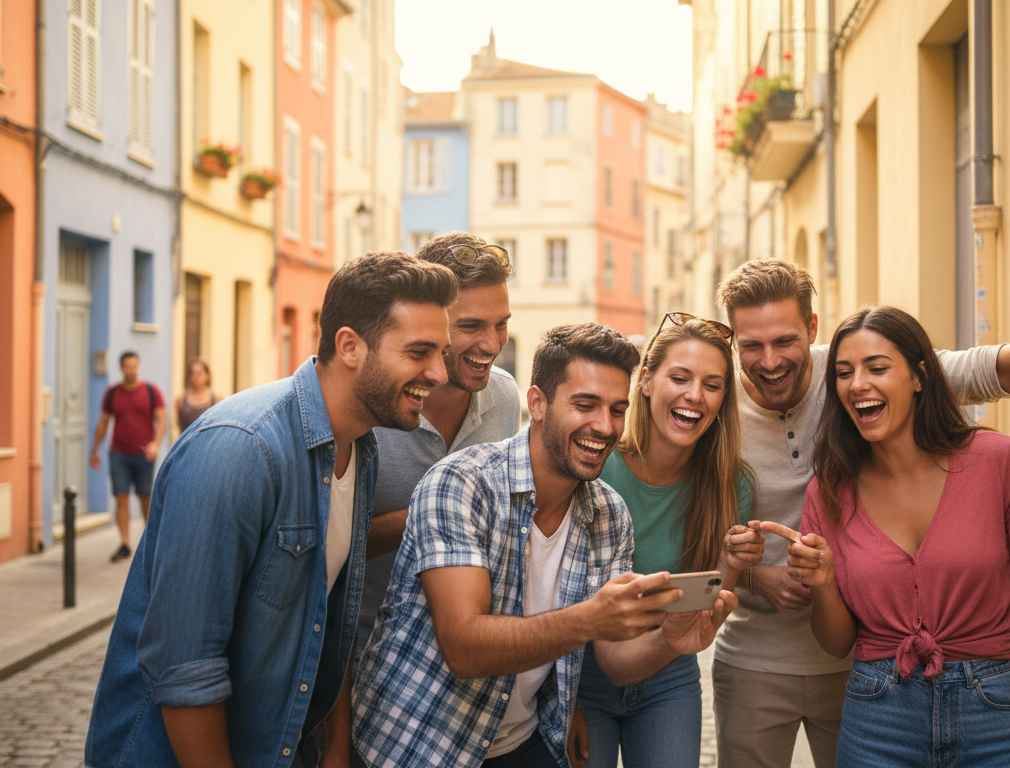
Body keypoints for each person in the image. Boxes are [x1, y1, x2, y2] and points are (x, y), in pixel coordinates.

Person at [709, 259, 1010, 768]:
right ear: (734, 341)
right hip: (813, 671)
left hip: (966, 699)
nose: (770, 360)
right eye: (751, 345)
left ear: (811, 329)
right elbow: (681, 512)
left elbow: (991, 367)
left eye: (784, 341)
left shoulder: (985, 454)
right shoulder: (733, 417)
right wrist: (761, 577)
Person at [84, 253, 458, 768]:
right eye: (419, 352)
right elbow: (184, 667)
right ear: (349, 346)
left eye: (441, 352)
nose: (439, 373)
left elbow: (328, 622)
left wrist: (335, 750)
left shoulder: (362, 450)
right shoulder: (241, 448)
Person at [351, 323, 739, 768]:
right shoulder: (461, 483)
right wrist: (589, 619)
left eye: (616, 409)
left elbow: (613, 663)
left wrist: (670, 642)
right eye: (585, 405)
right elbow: (463, 647)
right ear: (537, 403)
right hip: (418, 745)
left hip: (524, 741)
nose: (604, 426)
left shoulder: (609, 515)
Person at [569, 313, 764, 768]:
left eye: (712, 385)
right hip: (582, 677)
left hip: (667, 673)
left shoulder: (732, 486)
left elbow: (707, 602)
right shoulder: (597, 465)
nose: (695, 395)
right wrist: (558, 696)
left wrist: (731, 561)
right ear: (646, 382)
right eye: (680, 377)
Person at [355, 233, 521, 660]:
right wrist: (434, 511)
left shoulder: (505, 397)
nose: (492, 344)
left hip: (468, 649)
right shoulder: (371, 405)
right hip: (368, 651)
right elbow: (328, 542)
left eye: (501, 323)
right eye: (470, 326)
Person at [89, 350, 166, 562]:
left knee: (145, 498)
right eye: (126, 366)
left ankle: (149, 542)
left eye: (134, 366)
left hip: (144, 454)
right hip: (119, 453)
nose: (130, 370)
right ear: (121, 368)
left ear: (138, 367)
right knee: (121, 496)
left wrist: (156, 445)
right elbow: (104, 422)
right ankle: (125, 543)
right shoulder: (113, 393)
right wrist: (95, 449)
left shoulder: (151, 391)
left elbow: (162, 419)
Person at [174, 357, 223, 435]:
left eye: (199, 374)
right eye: (192, 373)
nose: (195, 377)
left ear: (207, 376)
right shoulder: (181, 398)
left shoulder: (216, 397)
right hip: (187, 442)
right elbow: (177, 424)